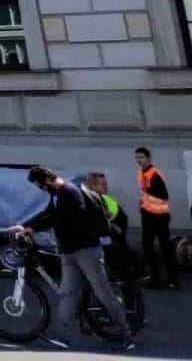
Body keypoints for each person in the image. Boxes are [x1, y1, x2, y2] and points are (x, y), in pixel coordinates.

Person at [16, 165, 134, 350]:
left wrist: (35, 228)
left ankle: (125, 334)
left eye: (40, 185)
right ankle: (61, 336)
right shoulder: (56, 195)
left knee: (104, 293)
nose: (40, 189)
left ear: (46, 180)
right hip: (69, 252)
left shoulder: (69, 192)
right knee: (67, 294)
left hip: (87, 251)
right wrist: (24, 226)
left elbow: (61, 218)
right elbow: (49, 214)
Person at [135, 147, 177, 290]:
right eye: (137, 158)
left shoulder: (154, 174)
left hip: (158, 216)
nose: (139, 160)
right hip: (149, 215)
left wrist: (146, 199)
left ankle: (169, 279)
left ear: (148, 158)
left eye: (141, 157)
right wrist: (143, 202)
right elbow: (145, 192)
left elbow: (163, 196)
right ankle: (157, 278)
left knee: (163, 248)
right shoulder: (141, 172)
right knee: (150, 247)